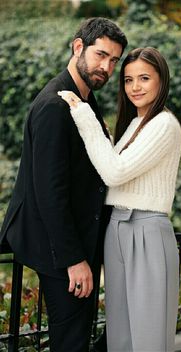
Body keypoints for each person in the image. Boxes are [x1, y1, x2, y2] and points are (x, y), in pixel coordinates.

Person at [0, 17, 127, 352]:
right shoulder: (55, 106)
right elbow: (49, 192)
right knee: (71, 341)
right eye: (101, 55)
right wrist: (74, 260)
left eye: (114, 60)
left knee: (79, 335)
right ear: (77, 47)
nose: (106, 67)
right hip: (57, 248)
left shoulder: (84, 98)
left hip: (77, 239)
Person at [59, 47, 181, 352]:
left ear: (161, 81)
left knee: (148, 338)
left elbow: (114, 173)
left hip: (147, 230)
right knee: (120, 337)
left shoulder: (164, 124)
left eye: (144, 78)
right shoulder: (133, 125)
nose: (135, 87)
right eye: (128, 80)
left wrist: (83, 114)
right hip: (117, 228)